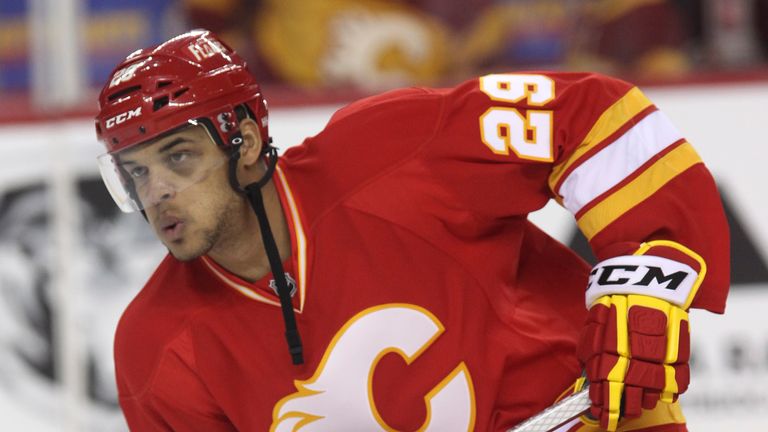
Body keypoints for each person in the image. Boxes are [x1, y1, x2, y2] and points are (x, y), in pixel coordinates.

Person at [95, 29, 729, 431]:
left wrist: (648, 270)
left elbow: (591, 115)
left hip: (584, 416)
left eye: (178, 157)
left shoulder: (387, 151)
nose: (157, 193)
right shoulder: (155, 350)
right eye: (135, 173)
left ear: (249, 142)